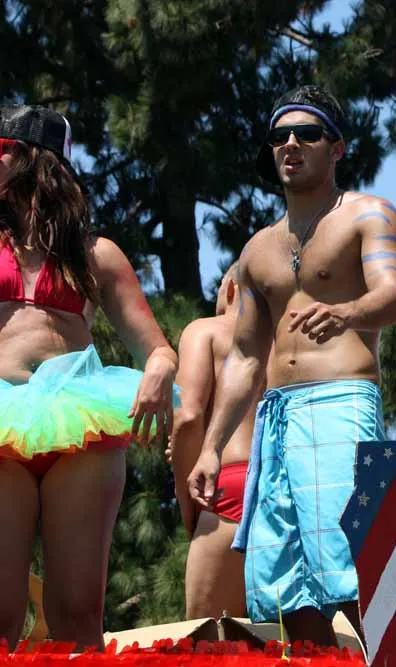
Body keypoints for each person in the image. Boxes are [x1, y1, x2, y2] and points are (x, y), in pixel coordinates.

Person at [187, 85, 396, 644]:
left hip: (340, 402)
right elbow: (244, 357)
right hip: (275, 418)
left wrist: (347, 312)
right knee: (285, 589)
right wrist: (211, 446)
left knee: (354, 570)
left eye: (307, 133)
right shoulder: (256, 250)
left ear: (336, 147)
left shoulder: (368, 214)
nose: (291, 144)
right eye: (280, 136)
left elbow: (394, 297)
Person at [0, 106, 177, 649]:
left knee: (76, 613)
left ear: (34, 159)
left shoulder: (96, 254)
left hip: (79, 423)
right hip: (2, 422)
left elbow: (158, 351)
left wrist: (158, 374)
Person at [170, 264, 259, 619]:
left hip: (227, 487)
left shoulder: (206, 331)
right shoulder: (286, 343)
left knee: (211, 639)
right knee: (293, 641)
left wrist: (186, 500)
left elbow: (187, 416)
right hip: (285, 488)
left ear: (231, 288)